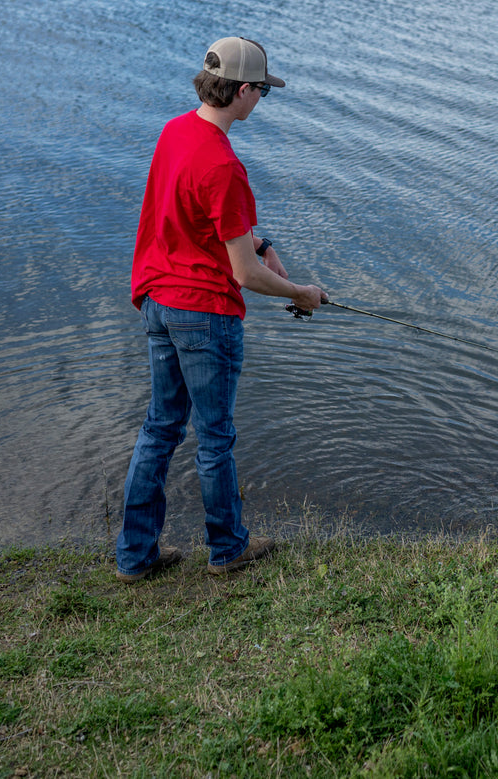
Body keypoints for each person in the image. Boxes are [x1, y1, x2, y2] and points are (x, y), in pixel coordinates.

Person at [115, 36, 327, 583]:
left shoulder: (175, 133)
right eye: (262, 92)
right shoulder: (225, 165)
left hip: (159, 304)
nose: (261, 102)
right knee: (215, 437)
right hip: (204, 316)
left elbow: (196, 222)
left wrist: (260, 242)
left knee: (159, 429)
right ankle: (228, 551)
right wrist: (301, 292)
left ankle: (134, 558)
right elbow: (245, 277)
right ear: (244, 90)